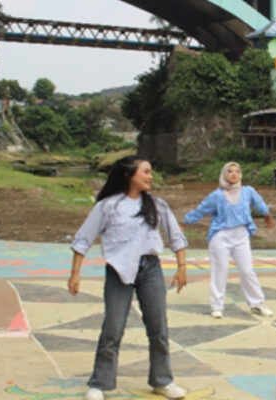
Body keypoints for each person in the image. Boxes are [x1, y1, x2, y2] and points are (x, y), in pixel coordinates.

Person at [67, 156, 188, 400]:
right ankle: (99, 383)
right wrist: (75, 273)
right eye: (145, 172)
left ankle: (162, 381)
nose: (150, 177)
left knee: (158, 328)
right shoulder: (107, 206)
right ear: (128, 175)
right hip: (117, 271)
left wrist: (181, 266)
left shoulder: (157, 205)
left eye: (150, 172)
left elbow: (176, 236)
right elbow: (83, 239)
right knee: (112, 328)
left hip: (150, 269)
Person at [184, 162, 275, 319]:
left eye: (237, 171)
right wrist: (183, 222)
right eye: (230, 171)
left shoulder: (248, 191)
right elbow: (201, 210)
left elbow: (260, 204)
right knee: (220, 272)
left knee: (247, 271)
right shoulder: (216, 195)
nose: (234, 174)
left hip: (241, 236)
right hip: (221, 237)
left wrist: (267, 215)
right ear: (224, 174)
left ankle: (257, 304)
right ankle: (217, 307)